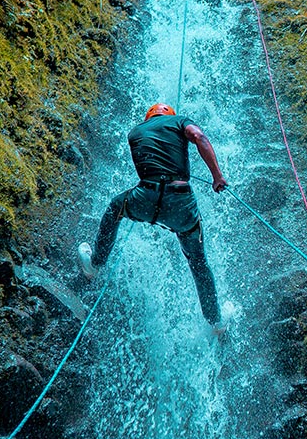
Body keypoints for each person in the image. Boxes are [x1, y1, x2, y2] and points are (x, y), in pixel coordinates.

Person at [78, 104, 228, 333]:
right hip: (180, 202)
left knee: (115, 209)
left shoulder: (135, 132)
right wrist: (217, 176)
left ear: (149, 118)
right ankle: (215, 322)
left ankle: (95, 264)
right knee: (198, 262)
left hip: (144, 199)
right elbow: (198, 136)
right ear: (170, 116)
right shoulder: (179, 121)